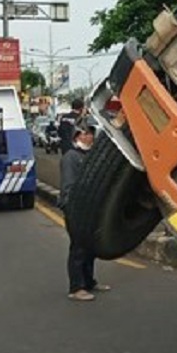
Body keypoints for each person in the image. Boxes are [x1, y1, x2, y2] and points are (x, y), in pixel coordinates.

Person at [61, 125, 109, 301]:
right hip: (75, 209)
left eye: (91, 133)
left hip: (89, 209)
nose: (90, 137)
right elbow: (69, 186)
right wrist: (72, 208)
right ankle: (76, 287)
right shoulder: (71, 158)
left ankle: (89, 281)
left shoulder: (89, 157)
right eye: (86, 134)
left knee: (90, 247)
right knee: (78, 248)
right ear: (77, 137)